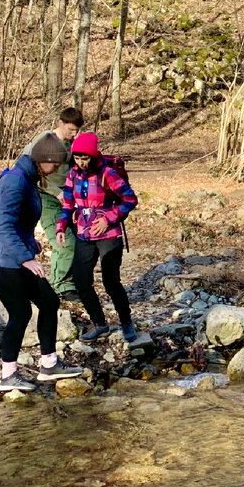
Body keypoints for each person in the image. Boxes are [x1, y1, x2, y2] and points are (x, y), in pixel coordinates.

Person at [0, 133, 85, 392]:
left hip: (12, 255)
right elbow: (4, 226)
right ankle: (8, 376)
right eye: (56, 164)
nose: (59, 169)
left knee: (48, 300)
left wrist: (30, 243)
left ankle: (49, 365)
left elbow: (19, 223)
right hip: (0, 260)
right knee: (21, 313)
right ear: (44, 160)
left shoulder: (28, 178)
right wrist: (25, 258)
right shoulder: (15, 182)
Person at [57, 133, 140, 343]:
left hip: (109, 233)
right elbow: (68, 204)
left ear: (93, 156)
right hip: (84, 233)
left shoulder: (108, 173)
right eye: (77, 158)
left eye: (85, 158)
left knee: (111, 281)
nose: (81, 163)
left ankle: (126, 321)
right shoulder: (73, 175)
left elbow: (130, 199)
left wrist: (109, 218)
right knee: (81, 280)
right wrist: (61, 227)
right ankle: (100, 323)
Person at [22, 108, 83, 301]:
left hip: (67, 198)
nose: (73, 134)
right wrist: (57, 193)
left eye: (76, 130)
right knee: (65, 241)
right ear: (60, 123)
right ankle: (61, 286)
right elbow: (32, 168)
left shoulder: (70, 145)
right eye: (70, 129)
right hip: (47, 196)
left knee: (77, 240)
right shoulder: (46, 140)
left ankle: (72, 283)